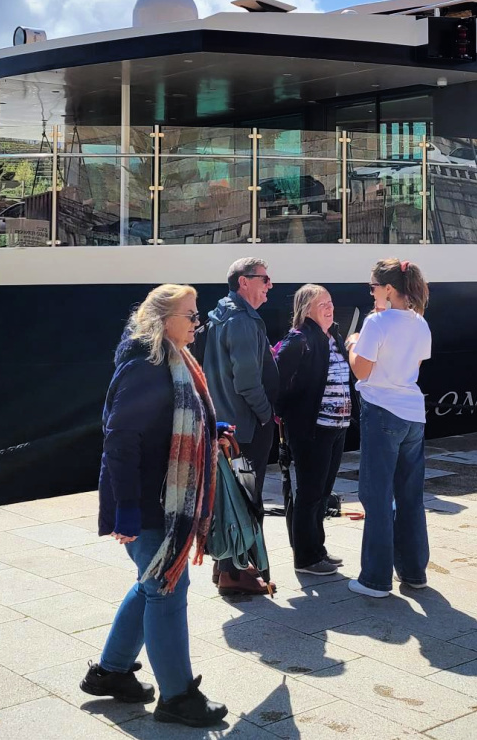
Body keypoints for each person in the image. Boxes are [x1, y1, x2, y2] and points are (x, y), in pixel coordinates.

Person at [84, 284, 228, 727]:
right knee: (167, 588)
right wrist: (126, 510)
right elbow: (121, 440)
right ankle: (178, 696)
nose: (197, 322)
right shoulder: (145, 368)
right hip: (150, 502)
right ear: (164, 321)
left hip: (161, 496)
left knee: (151, 582)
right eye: (190, 314)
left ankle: (112, 671)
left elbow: (171, 418)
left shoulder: (172, 360)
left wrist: (209, 427)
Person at [346, 259, 431, 597]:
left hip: (381, 411)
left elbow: (362, 372)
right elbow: (413, 364)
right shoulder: (421, 323)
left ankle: (375, 579)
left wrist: (352, 343)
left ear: (389, 290)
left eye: (373, 287)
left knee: (376, 495)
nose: (371, 292)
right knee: (410, 495)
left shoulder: (375, 322)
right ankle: (413, 572)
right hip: (413, 413)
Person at [204, 257, 280, 594]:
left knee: (230, 498)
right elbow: (247, 381)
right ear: (244, 282)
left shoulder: (221, 315)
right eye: (264, 279)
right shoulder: (243, 320)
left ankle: (225, 568)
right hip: (246, 430)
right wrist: (266, 415)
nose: (270, 285)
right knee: (247, 501)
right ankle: (238, 575)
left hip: (226, 426)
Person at [274, 284, 350, 576]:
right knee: (309, 493)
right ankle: (305, 558)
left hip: (337, 427)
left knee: (323, 492)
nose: (330, 308)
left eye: (330, 302)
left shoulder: (333, 336)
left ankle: (317, 549)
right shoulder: (300, 339)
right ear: (306, 310)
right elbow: (278, 381)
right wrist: (288, 416)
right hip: (312, 429)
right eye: (322, 305)